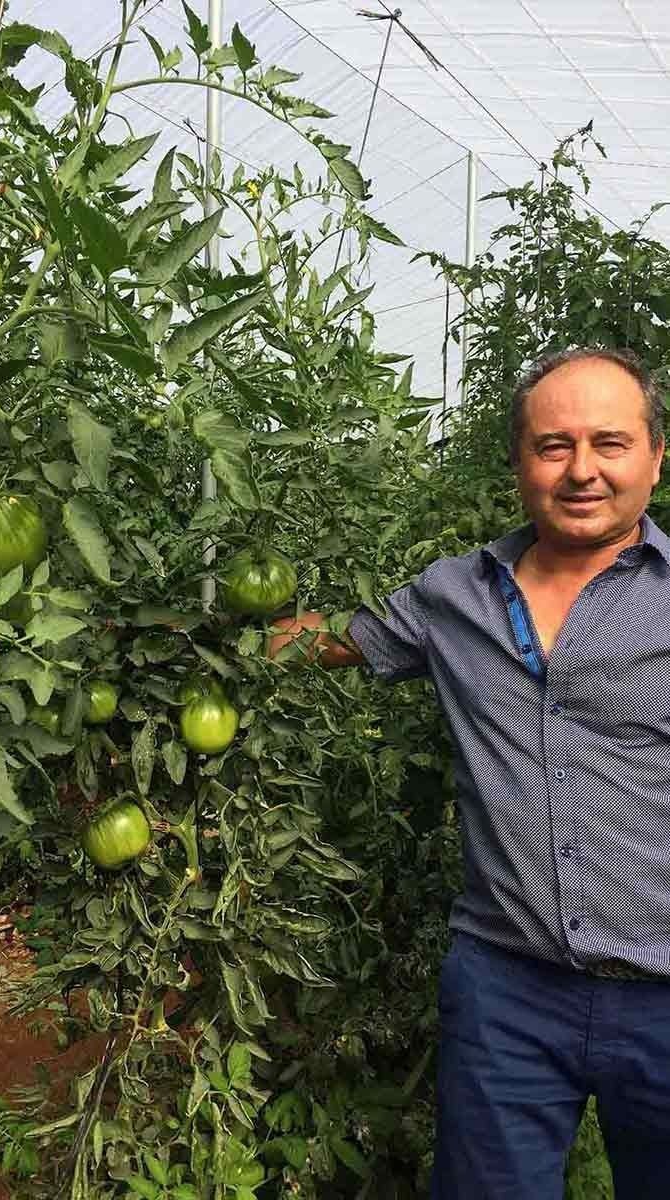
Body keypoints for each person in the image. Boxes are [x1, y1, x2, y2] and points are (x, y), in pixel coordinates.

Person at [269, 346, 670, 1200]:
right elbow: (339, 639)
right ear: (520, 460)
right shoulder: (453, 598)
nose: (582, 471)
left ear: (655, 457)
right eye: (553, 445)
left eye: (610, 443)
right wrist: (182, 639)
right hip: (508, 993)